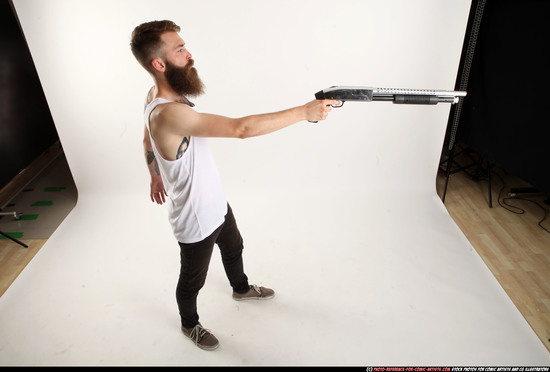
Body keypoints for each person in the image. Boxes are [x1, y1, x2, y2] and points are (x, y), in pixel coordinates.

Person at [130, 20, 337, 351]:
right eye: (180, 49)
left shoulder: (154, 94)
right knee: (192, 280)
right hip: (195, 219)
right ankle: (189, 324)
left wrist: (155, 172)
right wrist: (303, 112)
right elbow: (241, 129)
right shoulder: (168, 114)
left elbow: (145, 136)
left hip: (215, 202)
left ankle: (240, 288)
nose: (189, 53)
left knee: (234, 246)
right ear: (159, 63)